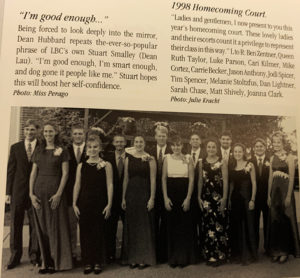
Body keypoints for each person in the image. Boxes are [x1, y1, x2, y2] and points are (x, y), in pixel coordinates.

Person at [29, 122, 72, 273]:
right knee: (42, 227)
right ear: (43, 133)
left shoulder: (62, 150)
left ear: (55, 133)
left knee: (55, 227)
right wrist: (31, 194)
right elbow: (33, 173)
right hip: (39, 192)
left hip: (55, 193)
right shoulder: (39, 150)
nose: (48, 134)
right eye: (46, 131)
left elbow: (65, 174)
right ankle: (44, 262)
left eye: (51, 131)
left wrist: (59, 194)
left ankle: (55, 261)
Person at [73, 134, 113, 274]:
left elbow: (110, 184)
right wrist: (74, 203)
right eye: (90, 147)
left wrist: (109, 204)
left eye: (95, 147)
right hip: (84, 203)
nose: (92, 149)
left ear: (100, 148)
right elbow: (77, 185)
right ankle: (87, 262)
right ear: (86, 149)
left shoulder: (106, 165)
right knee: (85, 233)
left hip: (100, 203)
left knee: (98, 232)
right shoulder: (81, 166)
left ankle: (97, 261)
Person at [5, 119, 41, 269]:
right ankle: (15, 256)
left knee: (35, 224)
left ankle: (34, 255)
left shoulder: (42, 147)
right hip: (18, 191)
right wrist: (8, 192)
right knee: (16, 223)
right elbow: (10, 171)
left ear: (37, 131)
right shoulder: (16, 147)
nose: (29, 132)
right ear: (23, 131)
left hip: (35, 191)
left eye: (32, 129)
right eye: (27, 129)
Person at [121, 135, 156, 269]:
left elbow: (153, 180)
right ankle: (132, 258)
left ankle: (143, 258)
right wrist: (123, 197)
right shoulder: (128, 159)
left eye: (141, 142)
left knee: (143, 226)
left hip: (144, 193)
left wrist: (152, 198)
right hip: (131, 194)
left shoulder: (150, 159)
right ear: (133, 143)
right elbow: (125, 178)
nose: (139, 144)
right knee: (133, 225)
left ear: (145, 143)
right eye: (136, 142)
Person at [162, 135, 197, 267]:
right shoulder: (167, 159)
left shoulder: (188, 158)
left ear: (182, 146)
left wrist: (188, 198)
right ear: (171, 146)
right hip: (171, 195)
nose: (176, 147)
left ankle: (184, 258)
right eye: (174, 145)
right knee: (172, 227)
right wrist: (165, 198)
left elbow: (192, 179)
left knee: (184, 227)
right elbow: (164, 179)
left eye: (179, 145)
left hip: (184, 195)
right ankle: (173, 258)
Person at [267, 132, 300, 263]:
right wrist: (268, 195)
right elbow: (270, 178)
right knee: (275, 220)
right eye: (274, 142)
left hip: (285, 192)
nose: (276, 144)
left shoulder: (289, 157)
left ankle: (285, 251)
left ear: (282, 143)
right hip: (274, 194)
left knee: (285, 219)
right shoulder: (271, 158)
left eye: (278, 142)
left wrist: (288, 196)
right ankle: (276, 250)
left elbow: (292, 178)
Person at [198, 139, 230, 266]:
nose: (211, 149)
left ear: (217, 149)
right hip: (206, 199)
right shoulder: (202, 162)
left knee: (219, 225)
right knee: (207, 226)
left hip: (219, 198)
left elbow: (226, 181)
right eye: (209, 147)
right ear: (206, 148)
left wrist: (225, 199)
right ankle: (210, 254)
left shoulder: (222, 162)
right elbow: (200, 181)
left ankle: (220, 255)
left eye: (213, 147)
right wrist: (198, 197)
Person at [229, 143, 257, 265]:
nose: (237, 153)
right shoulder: (232, 166)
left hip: (246, 199)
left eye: (240, 151)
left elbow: (254, 183)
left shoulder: (249, 165)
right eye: (235, 151)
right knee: (236, 226)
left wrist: (252, 200)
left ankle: (248, 255)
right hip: (235, 199)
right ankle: (237, 254)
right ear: (233, 153)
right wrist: (229, 199)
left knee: (247, 225)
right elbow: (231, 184)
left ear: (244, 152)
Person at [148, 125, 172, 263]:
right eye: (159, 135)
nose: (161, 138)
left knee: (167, 222)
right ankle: (154, 254)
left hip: (168, 191)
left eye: (164, 136)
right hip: (153, 192)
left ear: (166, 137)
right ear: (155, 136)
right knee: (153, 222)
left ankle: (165, 254)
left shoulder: (172, 150)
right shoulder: (149, 151)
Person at [65, 124, 87, 265]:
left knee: (86, 226)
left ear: (84, 135)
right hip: (69, 194)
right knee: (71, 226)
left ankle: (86, 255)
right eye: (75, 134)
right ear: (72, 135)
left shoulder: (91, 149)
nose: (78, 136)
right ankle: (73, 254)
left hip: (86, 193)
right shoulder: (65, 150)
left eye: (80, 133)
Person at [104, 134, 127, 262]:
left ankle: (125, 254)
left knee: (126, 226)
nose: (119, 144)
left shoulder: (131, 158)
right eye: (117, 142)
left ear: (125, 144)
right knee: (110, 227)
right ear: (113, 143)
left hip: (126, 198)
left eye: (121, 142)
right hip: (112, 198)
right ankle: (110, 254)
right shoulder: (107, 159)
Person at [250, 138, 270, 253]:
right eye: (257, 146)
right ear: (254, 148)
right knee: (254, 223)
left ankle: (268, 247)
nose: (259, 148)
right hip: (255, 198)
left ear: (265, 148)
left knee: (268, 223)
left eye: (261, 146)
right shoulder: (250, 162)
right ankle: (254, 249)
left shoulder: (270, 161)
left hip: (267, 198)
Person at [189, 133, 205, 254]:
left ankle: (203, 248)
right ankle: (193, 249)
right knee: (191, 221)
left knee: (202, 221)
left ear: (200, 141)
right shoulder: (185, 154)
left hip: (203, 191)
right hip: (188, 191)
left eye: (197, 139)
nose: (195, 141)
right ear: (189, 142)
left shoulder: (205, 154)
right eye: (193, 139)